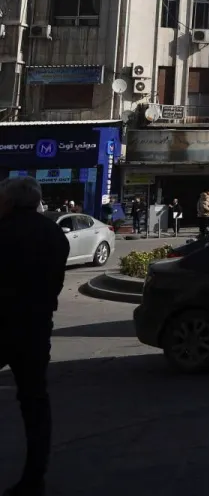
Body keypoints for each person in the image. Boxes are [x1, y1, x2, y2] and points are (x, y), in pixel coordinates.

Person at [0, 176, 70, 496]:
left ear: (10, 202)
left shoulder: (4, 231)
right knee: (35, 403)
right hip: (36, 327)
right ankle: (34, 477)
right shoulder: (55, 234)